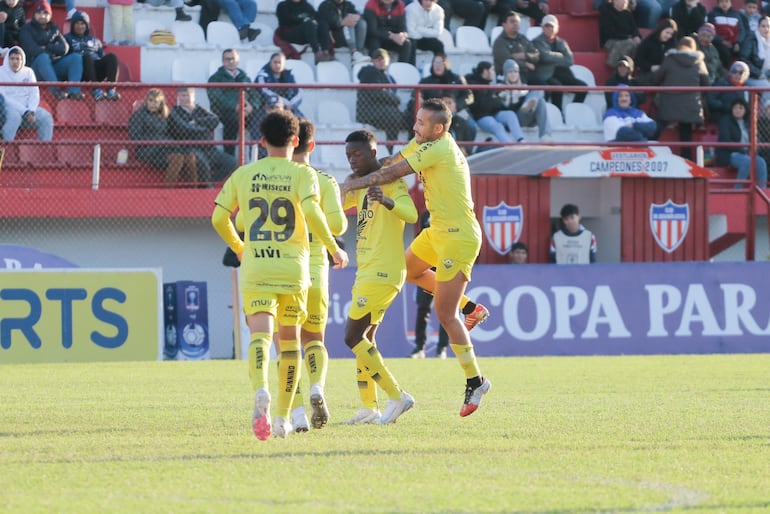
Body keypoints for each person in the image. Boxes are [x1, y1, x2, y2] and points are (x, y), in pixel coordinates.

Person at [341, 98, 492, 418]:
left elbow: (393, 171)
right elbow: (393, 159)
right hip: (438, 231)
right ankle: (471, 306)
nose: (415, 126)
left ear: (438, 128)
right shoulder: (423, 142)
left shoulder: (440, 148)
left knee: (444, 314)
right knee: (408, 269)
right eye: (416, 121)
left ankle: (475, 380)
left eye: (421, 123)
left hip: (459, 236)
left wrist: (352, 183)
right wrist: (366, 160)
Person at [211, 109, 349, 440]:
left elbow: (219, 217)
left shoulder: (244, 173)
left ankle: (261, 390)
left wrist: (240, 247)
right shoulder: (305, 175)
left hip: (257, 266)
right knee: (290, 346)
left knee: (261, 337)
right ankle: (283, 418)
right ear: (296, 141)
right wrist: (333, 248)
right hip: (294, 268)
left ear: (261, 142)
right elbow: (314, 214)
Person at [340, 128, 418, 424]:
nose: (352, 160)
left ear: (373, 153)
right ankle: (369, 407)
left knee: (352, 336)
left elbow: (412, 215)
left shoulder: (392, 181)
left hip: (382, 271)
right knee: (366, 338)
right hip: (369, 271)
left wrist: (386, 200)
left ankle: (398, 396)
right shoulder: (360, 185)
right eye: (348, 156)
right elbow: (337, 203)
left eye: (357, 154)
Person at [284, 118, 348, 430]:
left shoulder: (276, 179)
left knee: (286, 343)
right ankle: (317, 388)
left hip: (283, 268)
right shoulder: (325, 181)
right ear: (312, 145)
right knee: (314, 340)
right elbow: (337, 228)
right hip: (316, 269)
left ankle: (296, 415)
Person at [652, 35, 709, 159]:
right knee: (686, 133)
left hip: (668, 103)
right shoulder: (699, 62)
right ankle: (687, 160)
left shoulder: (670, 59)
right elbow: (706, 83)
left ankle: (646, 149)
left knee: (658, 126)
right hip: (690, 106)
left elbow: (656, 79)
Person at [168, 87, 238, 183]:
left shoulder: (200, 109)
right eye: (183, 96)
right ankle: (206, 186)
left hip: (209, 148)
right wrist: (205, 128)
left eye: (188, 95)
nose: (185, 98)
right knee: (201, 162)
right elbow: (184, 128)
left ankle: (212, 182)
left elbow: (215, 120)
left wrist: (196, 121)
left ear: (194, 96)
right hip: (191, 148)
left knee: (232, 162)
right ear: (179, 97)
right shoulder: (175, 112)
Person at [129, 88, 198, 184]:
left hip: (166, 148)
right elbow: (135, 137)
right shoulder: (139, 115)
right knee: (177, 158)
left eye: (156, 102)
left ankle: (193, 190)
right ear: (146, 101)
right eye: (150, 101)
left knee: (190, 157)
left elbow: (174, 131)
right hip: (147, 150)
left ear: (161, 103)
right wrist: (159, 140)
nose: (153, 104)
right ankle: (169, 190)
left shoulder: (165, 115)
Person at [19, 0, 84, 100]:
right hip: (34, 69)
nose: (42, 16)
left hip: (52, 67)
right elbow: (32, 50)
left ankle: (73, 92)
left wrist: (48, 47)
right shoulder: (26, 29)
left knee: (76, 57)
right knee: (43, 58)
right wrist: (52, 51)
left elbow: (65, 48)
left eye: (45, 13)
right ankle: (56, 91)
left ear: (50, 15)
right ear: (34, 14)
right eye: (39, 13)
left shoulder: (54, 28)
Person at [208, 48, 263, 156]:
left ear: (238, 60)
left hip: (246, 110)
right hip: (224, 112)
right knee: (233, 121)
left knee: (261, 118)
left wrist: (252, 106)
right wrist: (236, 106)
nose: (231, 62)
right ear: (223, 61)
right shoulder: (215, 78)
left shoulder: (245, 78)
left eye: (233, 59)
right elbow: (217, 98)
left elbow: (255, 95)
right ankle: (230, 158)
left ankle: (258, 156)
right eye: (227, 59)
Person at [410, 210, 449, 360]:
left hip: (445, 264)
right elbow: (420, 237)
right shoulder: (426, 215)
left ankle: (442, 349)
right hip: (426, 266)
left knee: (445, 309)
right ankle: (419, 348)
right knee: (423, 308)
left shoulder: (449, 213)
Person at [356, 48, 410, 152]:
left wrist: (390, 98)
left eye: (383, 59)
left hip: (384, 111)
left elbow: (385, 94)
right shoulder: (369, 72)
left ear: (388, 60)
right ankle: (390, 149)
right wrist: (395, 100)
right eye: (377, 59)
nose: (381, 62)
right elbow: (377, 94)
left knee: (407, 118)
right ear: (373, 61)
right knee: (394, 116)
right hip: (369, 112)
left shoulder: (389, 77)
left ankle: (409, 148)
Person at [530, 15, 587, 112]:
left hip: (562, 73)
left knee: (583, 88)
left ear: (557, 28)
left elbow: (570, 61)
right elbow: (545, 56)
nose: (550, 29)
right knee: (557, 87)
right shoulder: (537, 41)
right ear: (542, 27)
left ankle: (572, 112)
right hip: (546, 75)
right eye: (547, 26)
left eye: (552, 26)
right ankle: (558, 113)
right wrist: (561, 56)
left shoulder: (561, 42)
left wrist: (553, 61)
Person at [0, 46, 53, 141]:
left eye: (18, 59)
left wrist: (31, 110)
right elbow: (4, 98)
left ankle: (44, 149)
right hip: (10, 109)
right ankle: (4, 149)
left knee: (46, 118)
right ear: (8, 59)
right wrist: (25, 111)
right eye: (12, 58)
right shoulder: (1, 72)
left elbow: (34, 93)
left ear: (22, 59)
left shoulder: (28, 72)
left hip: (28, 109)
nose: (15, 62)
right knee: (15, 118)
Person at [65, 11, 120, 101]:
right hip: (81, 72)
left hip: (96, 71)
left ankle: (111, 90)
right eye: (77, 23)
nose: (80, 26)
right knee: (87, 56)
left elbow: (101, 56)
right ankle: (96, 90)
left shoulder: (95, 40)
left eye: (82, 23)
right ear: (72, 25)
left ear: (87, 25)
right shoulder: (67, 38)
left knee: (112, 57)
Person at [466, 60, 525, 143]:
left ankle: (521, 140)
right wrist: (494, 99)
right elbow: (480, 106)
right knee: (498, 126)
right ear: (485, 71)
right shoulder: (473, 85)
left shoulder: (490, 84)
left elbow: (495, 104)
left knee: (510, 115)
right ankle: (510, 147)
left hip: (494, 113)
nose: (494, 73)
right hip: (481, 117)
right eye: (492, 70)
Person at [716, 97, 768, 188]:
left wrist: (753, 150)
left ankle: (762, 191)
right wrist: (743, 151)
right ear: (731, 109)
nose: (737, 110)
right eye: (735, 108)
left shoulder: (749, 122)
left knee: (761, 162)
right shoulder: (726, 120)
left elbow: (756, 140)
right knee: (747, 162)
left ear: (745, 110)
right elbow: (725, 140)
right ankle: (737, 189)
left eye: (741, 108)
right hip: (731, 154)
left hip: (747, 153)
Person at [499, 59, 553, 142]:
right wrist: (512, 96)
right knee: (538, 99)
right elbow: (503, 111)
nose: (513, 74)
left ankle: (545, 136)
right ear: (505, 74)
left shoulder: (524, 87)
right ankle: (528, 104)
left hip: (529, 116)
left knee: (540, 97)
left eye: (515, 72)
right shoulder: (500, 88)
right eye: (510, 72)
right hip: (515, 119)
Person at [316, 0, 369, 64]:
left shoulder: (348, 4)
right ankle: (354, 53)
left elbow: (355, 14)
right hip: (334, 36)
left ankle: (359, 52)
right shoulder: (325, 5)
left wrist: (357, 17)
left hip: (348, 36)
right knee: (348, 25)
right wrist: (341, 22)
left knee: (362, 23)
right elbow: (325, 22)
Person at [492, 11, 540, 81]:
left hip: (527, 73)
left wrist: (525, 55)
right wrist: (526, 64)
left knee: (545, 85)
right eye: (512, 21)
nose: (515, 24)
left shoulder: (523, 38)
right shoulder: (499, 42)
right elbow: (507, 61)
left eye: (517, 22)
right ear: (504, 24)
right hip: (508, 76)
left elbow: (536, 55)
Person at [363, 0, 415, 64]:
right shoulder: (371, 4)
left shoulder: (400, 5)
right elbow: (372, 30)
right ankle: (374, 68)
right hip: (376, 37)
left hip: (392, 38)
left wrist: (403, 34)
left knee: (407, 43)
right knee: (374, 42)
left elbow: (402, 26)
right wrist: (391, 36)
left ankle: (402, 68)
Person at [254, 52, 304, 117]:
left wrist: (291, 104)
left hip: (289, 108)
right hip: (266, 108)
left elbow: (299, 92)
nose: (277, 65)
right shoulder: (262, 75)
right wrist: (284, 102)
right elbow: (264, 90)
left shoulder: (289, 75)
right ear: (270, 62)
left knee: (302, 121)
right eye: (275, 62)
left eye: (280, 62)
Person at [599, 0, 641, 68]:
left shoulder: (627, 12)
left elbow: (634, 28)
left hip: (626, 38)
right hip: (610, 39)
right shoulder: (606, 10)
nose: (625, 2)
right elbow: (609, 32)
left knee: (643, 42)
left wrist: (636, 36)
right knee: (629, 44)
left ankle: (634, 67)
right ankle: (618, 67)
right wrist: (627, 38)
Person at [634, 17, 677, 85]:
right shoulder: (648, 42)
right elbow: (638, 60)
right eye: (667, 32)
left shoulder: (672, 45)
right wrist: (651, 67)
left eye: (671, 34)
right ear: (660, 30)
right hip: (647, 73)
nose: (668, 36)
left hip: (665, 74)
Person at [707, 0, 745, 67]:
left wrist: (737, 42)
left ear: (730, 3)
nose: (724, 4)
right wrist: (722, 41)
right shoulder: (713, 14)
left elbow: (742, 31)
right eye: (722, 2)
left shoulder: (736, 15)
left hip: (734, 42)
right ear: (718, 3)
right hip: (719, 43)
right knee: (725, 53)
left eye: (726, 1)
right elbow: (710, 31)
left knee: (743, 52)